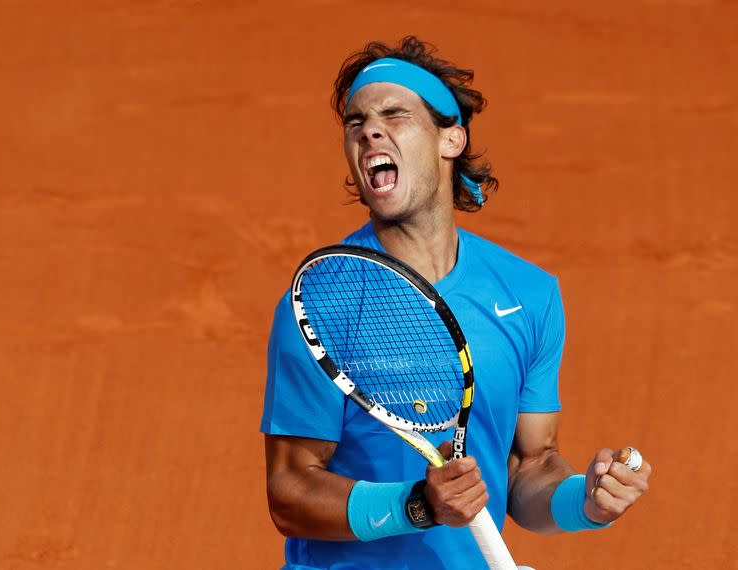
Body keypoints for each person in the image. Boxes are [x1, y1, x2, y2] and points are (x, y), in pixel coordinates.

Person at [260, 36, 651, 570]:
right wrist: (416, 505)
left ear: (451, 139)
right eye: (356, 122)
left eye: (395, 115)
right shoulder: (319, 304)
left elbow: (529, 467)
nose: (370, 130)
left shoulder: (529, 295)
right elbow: (290, 490)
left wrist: (584, 502)